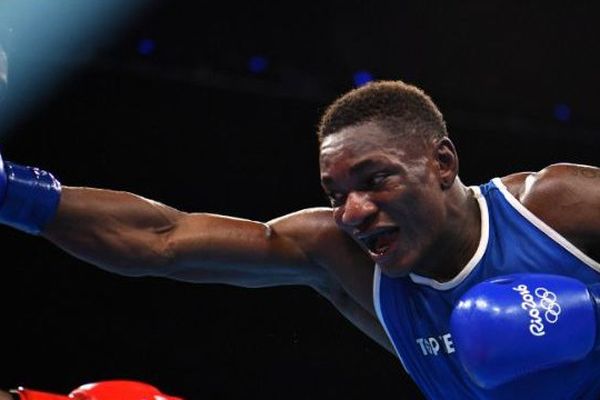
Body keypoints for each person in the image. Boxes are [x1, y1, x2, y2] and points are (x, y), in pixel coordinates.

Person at [0, 70, 599, 398]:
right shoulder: (339, 255)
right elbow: (165, 238)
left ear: (442, 163)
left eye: (376, 179)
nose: (353, 212)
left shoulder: (557, 209)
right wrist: (14, 194)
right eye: (335, 194)